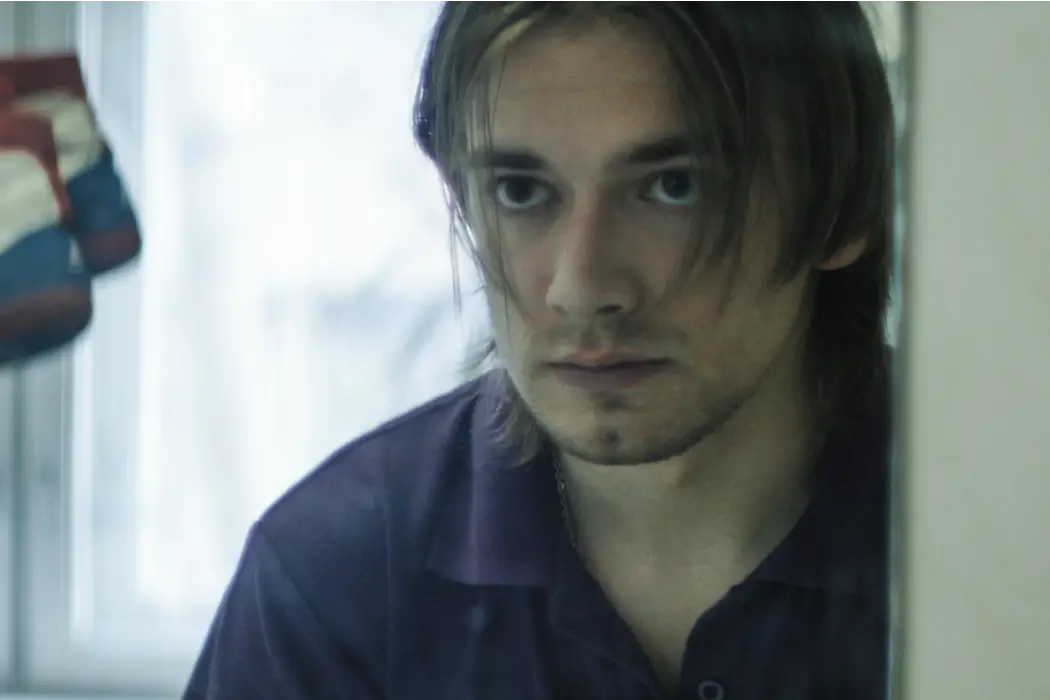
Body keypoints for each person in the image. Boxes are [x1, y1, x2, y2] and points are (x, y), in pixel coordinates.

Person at [185, 0, 894, 697]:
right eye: (521, 191)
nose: (579, 287)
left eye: (674, 187)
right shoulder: (337, 585)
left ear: (839, 207)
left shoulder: (955, 528)